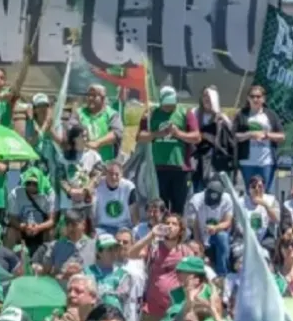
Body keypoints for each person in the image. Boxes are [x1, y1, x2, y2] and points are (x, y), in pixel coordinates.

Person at [136, 85, 200, 215]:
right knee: (160, 207)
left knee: (178, 208)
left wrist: (178, 134)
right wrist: (158, 134)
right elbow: (140, 137)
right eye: (166, 105)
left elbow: (197, 137)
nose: (169, 107)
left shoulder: (185, 113)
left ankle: (177, 227)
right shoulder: (151, 113)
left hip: (180, 168)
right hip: (158, 168)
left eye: (171, 104)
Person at [234, 84, 284, 191]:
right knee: (250, 193)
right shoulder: (241, 115)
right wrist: (250, 134)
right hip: (247, 163)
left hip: (267, 162)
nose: (255, 99)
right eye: (252, 96)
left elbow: (281, 136)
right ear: (248, 98)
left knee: (266, 193)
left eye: (258, 96)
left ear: (263, 98)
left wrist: (266, 135)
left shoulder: (271, 115)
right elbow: (234, 136)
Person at [75, 84, 123, 161]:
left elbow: (117, 133)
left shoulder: (112, 114)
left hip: (106, 163)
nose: (90, 98)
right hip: (83, 162)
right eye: (88, 95)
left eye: (94, 95)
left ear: (103, 98)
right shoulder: (79, 113)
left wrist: (98, 143)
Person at [92, 162, 137, 237]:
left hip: (124, 226)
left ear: (121, 175)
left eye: (117, 174)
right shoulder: (98, 185)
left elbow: (134, 211)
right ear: (106, 174)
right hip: (103, 227)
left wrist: (136, 228)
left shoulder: (129, 187)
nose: (113, 177)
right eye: (111, 174)